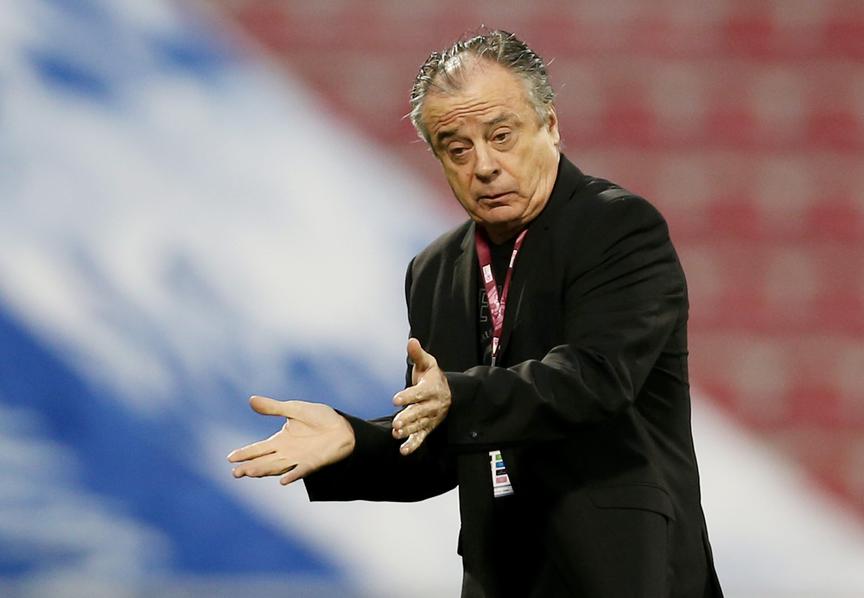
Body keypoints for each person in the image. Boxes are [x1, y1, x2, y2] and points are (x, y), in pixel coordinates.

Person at [228, 29, 723, 598]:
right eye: (457, 148)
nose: (483, 165)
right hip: (501, 577)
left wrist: (457, 398)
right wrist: (353, 441)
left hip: (626, 573)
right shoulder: (434, 270)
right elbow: (437, 447)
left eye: (501, 136)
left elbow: (594, 379)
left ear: (550, 126)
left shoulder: (618, 228)